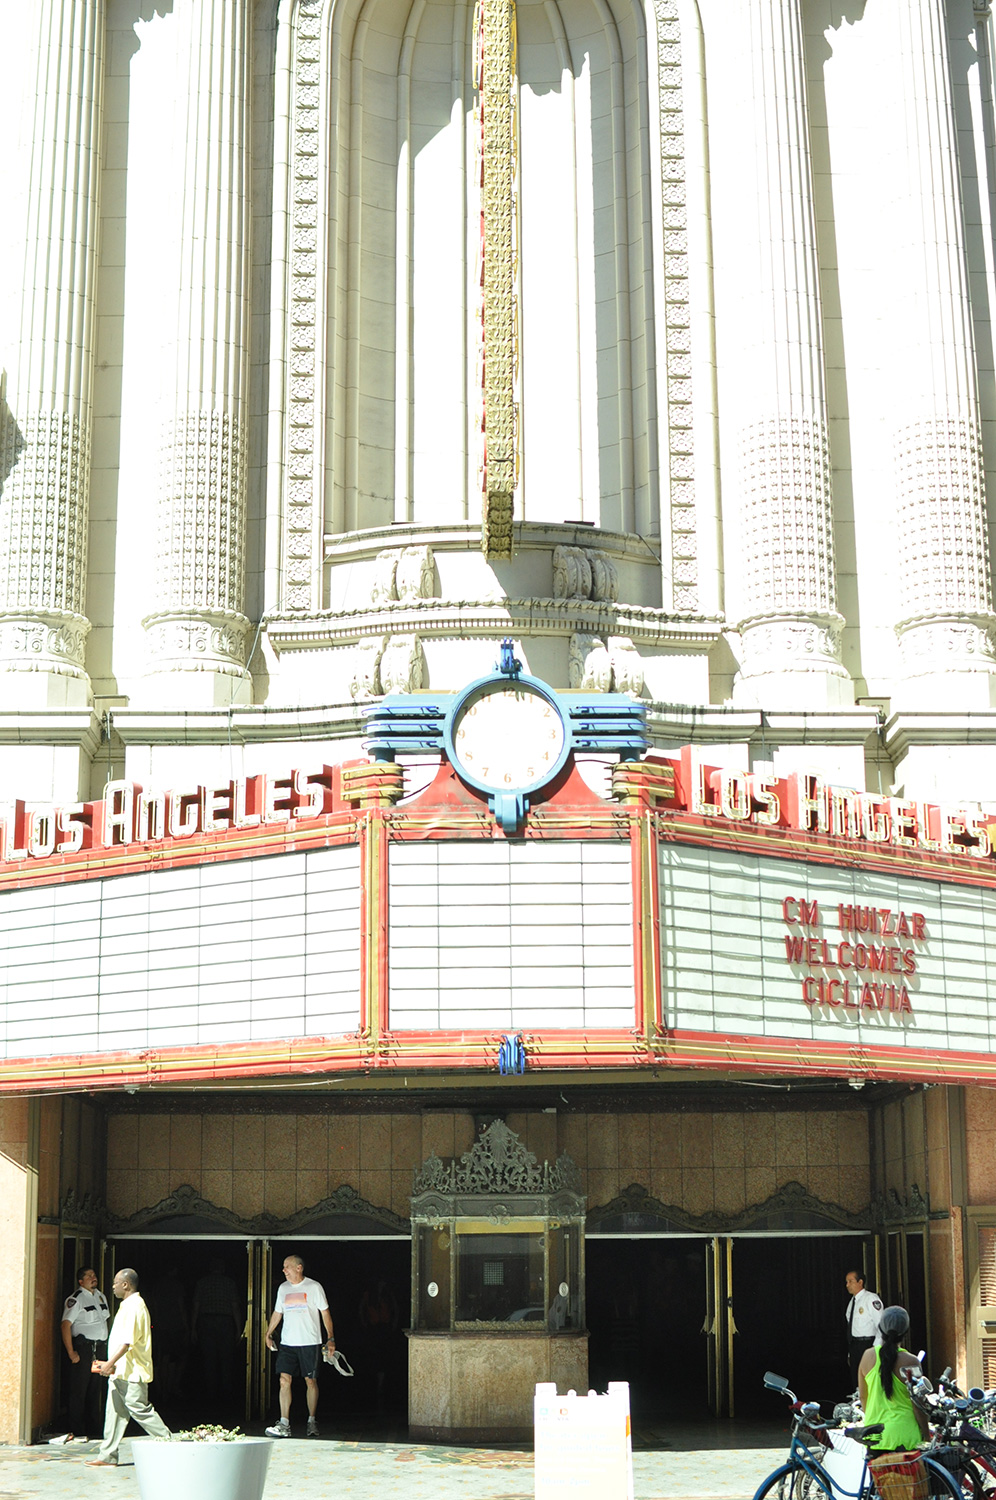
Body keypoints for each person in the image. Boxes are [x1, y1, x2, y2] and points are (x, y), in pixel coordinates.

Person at [86, 1267, 172, 1468]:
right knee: (114, 1414)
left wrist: (109, 1363)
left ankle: (169, 1441)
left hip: (132, 1371)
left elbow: (127, 1342)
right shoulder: (127, 1305)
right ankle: (107, 1456)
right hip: (121, 1371)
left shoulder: (135, 1307)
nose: (113, 1286)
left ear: (125, 1285)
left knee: (139, 1408)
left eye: (115, 1283)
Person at [264, 1254, 335, 1439]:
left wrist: (330, 1338)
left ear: (299, 1268)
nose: (284, 1270)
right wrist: (268, 1333)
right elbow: (277, 1312)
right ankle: (284, 1423)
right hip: (288, 1343)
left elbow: (325, 1313)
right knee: (283, 1380)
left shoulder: (314, 1287)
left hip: (310, 1342)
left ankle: (311, 1420)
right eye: (283, 1266)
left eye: (287, 1266)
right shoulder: (283, 1288)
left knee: (310, 1381)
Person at [857, 1304, 926, 1452]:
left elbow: (863, 1397)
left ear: (880, 1329)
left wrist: (872, 1418)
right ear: (905, 1332)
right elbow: (918, 1405)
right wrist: (926, 1436)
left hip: (874, 1437)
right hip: (906, 1437)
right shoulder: (911, 1361)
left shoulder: (867, 1356)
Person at [61, 1267, 110, 1440]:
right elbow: (65, 1325)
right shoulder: (76, 1299)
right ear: (81, 1281)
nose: (93, 1278)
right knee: (79, 1389)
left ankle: (94, 1427)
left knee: (95, 1388)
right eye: (88, 1276)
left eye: (94, 1275)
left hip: (99, 1351)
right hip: (84, 1350)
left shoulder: (100, 1296)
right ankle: (77, 1429)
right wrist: (71, 1352)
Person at [192, 1257, 243, 1407]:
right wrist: (238, 1329)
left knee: (209, 1359)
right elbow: (235, 1307)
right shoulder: (229, 1283)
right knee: (226, 1358)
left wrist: (193, 1328)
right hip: (225, 1322)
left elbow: (196, 1306)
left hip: (206, 1322)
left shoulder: (202, 1283)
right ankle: (226, 1393)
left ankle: (211, 1394)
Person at [845, 1267, 883, 1387]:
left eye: (850, 1281)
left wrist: (875, 1350)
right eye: (846, 1282)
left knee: (869, 1380)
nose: (847, 1285)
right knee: (857, 1380)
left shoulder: (871, 1299)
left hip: (868, 1344)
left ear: (860, 1282)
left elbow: (881, 1325)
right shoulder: (852, 1302)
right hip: (855, 1345)